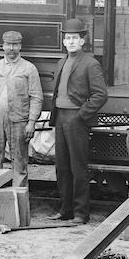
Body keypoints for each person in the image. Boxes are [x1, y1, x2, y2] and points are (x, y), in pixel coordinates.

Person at [48, 18, 108, 224]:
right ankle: (65, 210)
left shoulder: (90, 63)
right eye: (67, 38)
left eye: (75, 38)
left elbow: (100, 95)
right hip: (60, 118)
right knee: (62, 167)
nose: (71, 41)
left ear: (83, 41)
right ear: (64, 42)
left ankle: (81, 213)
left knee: (78, 167)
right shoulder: (61, 62)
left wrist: (81, 116)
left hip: (77, 119)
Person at [0, 30, 43, 188]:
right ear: (3, 46)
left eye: (15, 44)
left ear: (20, 46)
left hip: (19, 121)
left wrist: (31, 122)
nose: (11, 48)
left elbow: (36, 97)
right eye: (8, 44)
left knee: (19, 164)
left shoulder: (29, 68)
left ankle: (18, 206)